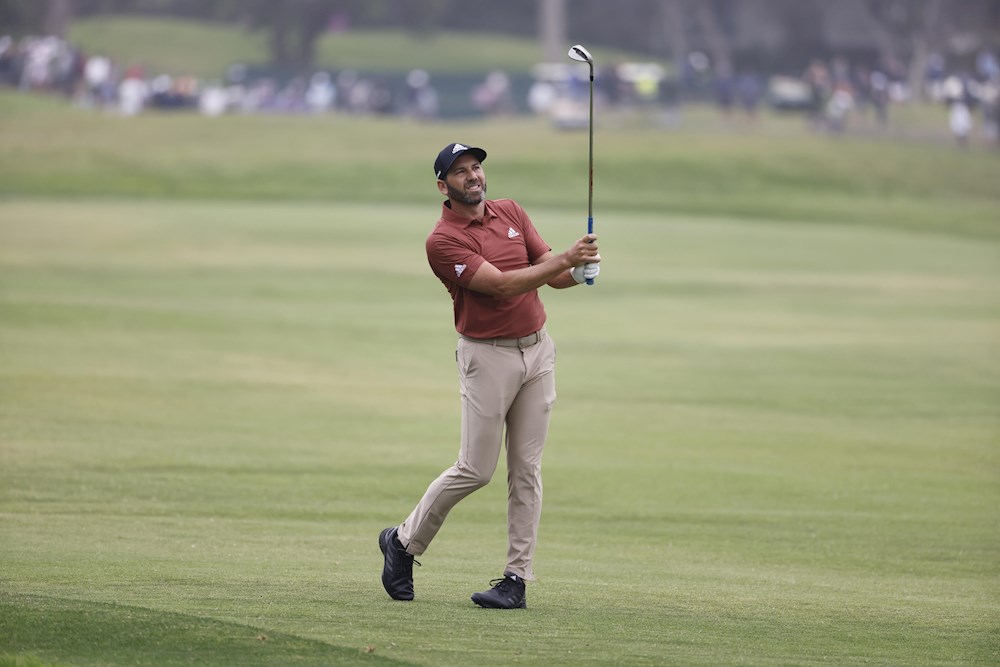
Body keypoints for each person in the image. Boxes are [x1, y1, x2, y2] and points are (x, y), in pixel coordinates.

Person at [379, 142, 601, 609]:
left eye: (476, 167)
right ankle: (402, 542)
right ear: (444, 186)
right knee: (475, 469)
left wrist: (578, 271)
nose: (472, 176)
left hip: (538, 352)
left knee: (527, 470)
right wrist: (563, 260)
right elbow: (500, 287)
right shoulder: (443, 241)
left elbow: (548, 274)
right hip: (487, 357)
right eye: (460, 172)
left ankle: (516, 579)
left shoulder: (511, 212)